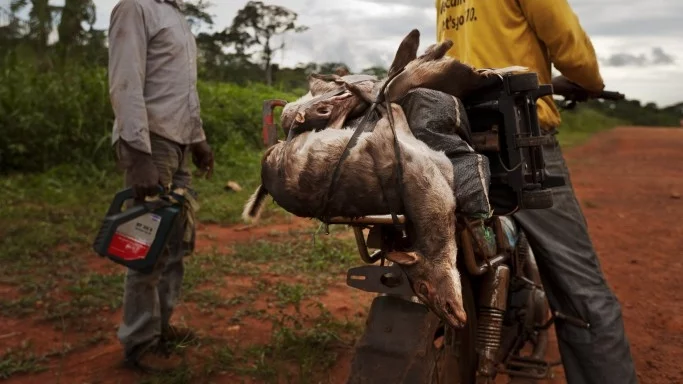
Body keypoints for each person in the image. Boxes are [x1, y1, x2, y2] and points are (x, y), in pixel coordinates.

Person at [435, 0, 638, 383]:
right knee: (582, 290)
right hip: (518, 137)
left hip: (459, 132)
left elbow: (466, 61)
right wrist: (590, 83)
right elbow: (569, 42)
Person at [108, 0, 214, 372]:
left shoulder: (177, 17)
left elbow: (183, 89)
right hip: (152, 143)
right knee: (146, 248)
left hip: (180, 144)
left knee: (174, 245)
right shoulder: (135, 8)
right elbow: (125, 82)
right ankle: (139, 342)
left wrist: (198, 141)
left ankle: (161, 327)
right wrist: (138, 155)